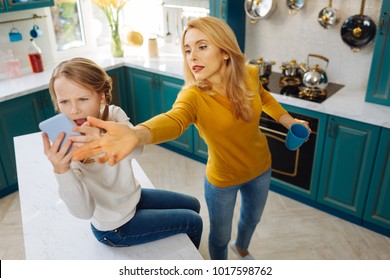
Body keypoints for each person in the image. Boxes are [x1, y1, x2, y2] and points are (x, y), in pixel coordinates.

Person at [71, 17, 311, 260]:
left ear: (225, 51)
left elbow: (264, 97)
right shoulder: (193, 96)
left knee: (252, 219)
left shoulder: (249, 74)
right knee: (219, 236)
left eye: (202, 46)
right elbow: (174, 120)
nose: (192, 56)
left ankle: (242, 248)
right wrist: (136, 133)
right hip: (223, 180)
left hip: (261, 168)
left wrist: (288, 121)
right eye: (187, 50)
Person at [42, 57, 203, 249]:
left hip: (131, 199)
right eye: (64, 102)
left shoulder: (114, 114)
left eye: (83, 99)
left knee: (193, 204)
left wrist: (104, 139)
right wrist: (62, 170)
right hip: (115, 227)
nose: (74, 110)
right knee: (193, 221)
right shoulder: (68, 147)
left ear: (101, 97)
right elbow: (84, 212)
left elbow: (137, 150)